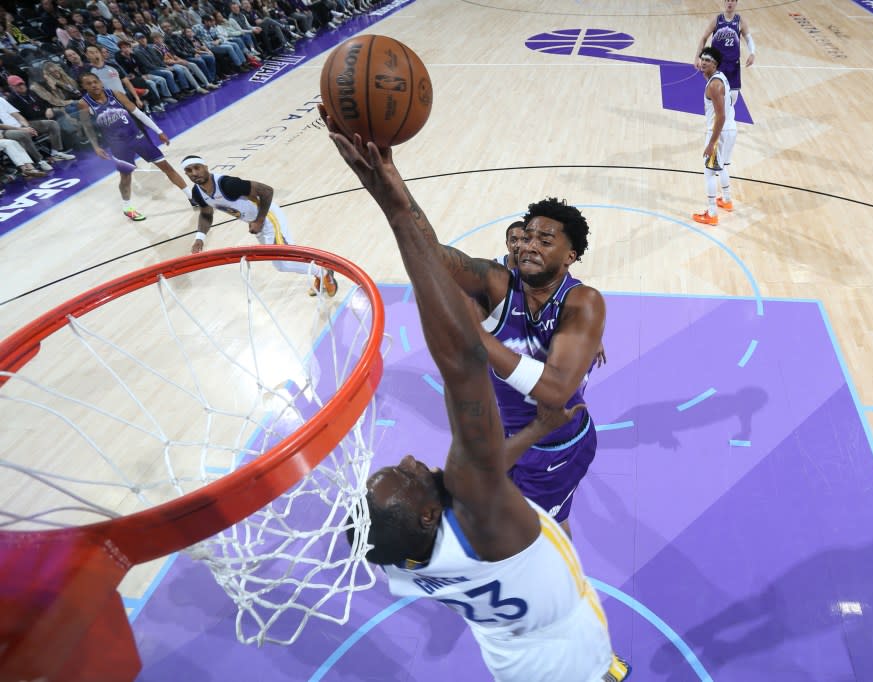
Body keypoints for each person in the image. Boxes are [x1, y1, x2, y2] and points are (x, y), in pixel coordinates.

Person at [324, 119, 632, 682]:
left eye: (546, 238)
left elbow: (556, 392)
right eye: (526, 235)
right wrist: (389, 187)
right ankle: (565, 628)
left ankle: (568, 626)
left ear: (572, 251)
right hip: (516, 439)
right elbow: (433, 254)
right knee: (506, 529)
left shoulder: (584, 302)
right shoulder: (497, 283)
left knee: (543, 535)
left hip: (557, 441)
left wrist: (478, 340)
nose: (530, 244)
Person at [181, 155, 339, 297]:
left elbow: (267, 191)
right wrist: (200, 237)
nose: (194, 173)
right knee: (284, 261)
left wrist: (259, 220)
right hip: (257, 222)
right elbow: (206, 214)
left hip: (269, 217)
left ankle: (324, 273)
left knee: (284, 262)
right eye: (189, 170)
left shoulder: (227, 184)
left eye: (197, 167)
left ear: (205, 167)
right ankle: (320, 271)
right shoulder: (197, 192)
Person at [77, 72, 191, 220]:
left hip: (137, 137)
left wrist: (159, 131)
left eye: (95, 81)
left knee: (166, 167)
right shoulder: (84, 103)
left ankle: (191, 196)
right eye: (88, 83)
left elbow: (137, 113)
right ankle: (127, 207)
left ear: (100, 82)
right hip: (118, 145)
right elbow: (88, 127)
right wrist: (96, 147)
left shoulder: (115, 94)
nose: (93, 85)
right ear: (84, 87)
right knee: (126, 177)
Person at [692, 46, 736, 227]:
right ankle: (726, 200)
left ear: (715, 64)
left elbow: (721, 116)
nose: (703, 62)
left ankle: (712, 213)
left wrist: (711, 143)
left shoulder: (714, 85)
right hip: (730, 129)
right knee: (722, 166)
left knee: (709, 173)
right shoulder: (721, 78)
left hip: (718, 132)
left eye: (707, 60)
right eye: (702, 59)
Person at [693, 0, 755, 106]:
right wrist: (697, 58)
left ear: (736, 3)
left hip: (733, 65)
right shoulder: (717, 20)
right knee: (715, 97)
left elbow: (748, 39)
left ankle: (726, 120)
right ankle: (716, 120)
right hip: (717, 65)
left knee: (733, 97)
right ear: (724, 2)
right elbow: (704, 38)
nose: (730, 3)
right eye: (727, 0)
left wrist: (752, 53)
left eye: (732, 1)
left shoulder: (740, 21)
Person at [5, 74, 79, 158]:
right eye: (17, 85)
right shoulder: (11, 100)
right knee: (52, 124)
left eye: (21, 84)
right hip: (30, 121)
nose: (21, 86)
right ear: (11, 87)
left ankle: (72, 138)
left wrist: (48, 108)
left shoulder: (31, 92)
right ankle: (58, 150)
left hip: (43, 115)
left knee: (59, 112)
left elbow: (45, 102)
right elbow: (19, 116)